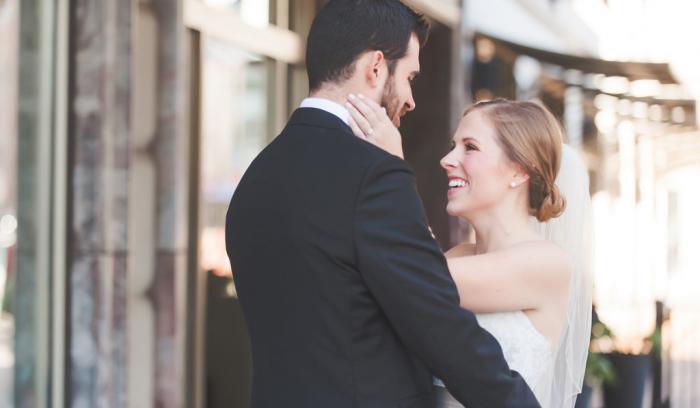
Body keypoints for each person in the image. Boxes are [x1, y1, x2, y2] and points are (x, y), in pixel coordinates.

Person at [225, 1, 539, 407]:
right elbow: (437, 320)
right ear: (375, 67)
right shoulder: (374, 176)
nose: (409, 99)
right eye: (409, 76)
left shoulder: (255, 178)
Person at [347, 97, 593, 407]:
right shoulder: (459, 256)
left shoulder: (548, 262)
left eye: (470, 147)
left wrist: (394, 169)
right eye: (454, 145)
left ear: (518, 171)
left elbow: (419, 279)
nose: (447, 159)